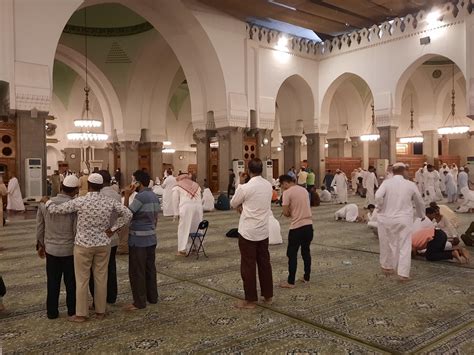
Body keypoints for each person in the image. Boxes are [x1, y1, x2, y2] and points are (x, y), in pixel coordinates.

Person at [44, 173, 132, 322]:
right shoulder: (109, 201)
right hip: (103, 244)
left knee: (82, 279)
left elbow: (56, 210)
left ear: (88, 185)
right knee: (101, 278)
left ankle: (81, 314)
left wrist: (47, 202)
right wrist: (113, 228)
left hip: (83, 245)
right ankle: (100, 311)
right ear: (101, 186)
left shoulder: (81, 201)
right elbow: (128, 213)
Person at [230, 158, 273, 309]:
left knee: (248, 266)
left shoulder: (245, 188)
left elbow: (233, 203)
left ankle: (250, 300)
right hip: (263, 230)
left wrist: (240, 183)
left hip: (248, 231)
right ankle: (268, 295)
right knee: (264, 263)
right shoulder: (268, 185)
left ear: (248, 171)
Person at [36, 175, 79, 319]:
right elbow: (75, 230)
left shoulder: (45, 203)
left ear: (61, 187)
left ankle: (52, 312)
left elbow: (40, 227)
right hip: (69, 250)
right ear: (75, 191)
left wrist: (40, 245)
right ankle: (72, 310)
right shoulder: (74, 205)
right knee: (71, 282)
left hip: (51, 249)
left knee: (52, 282)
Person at [375, 163, 425, 281]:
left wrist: (380, 207)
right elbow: (419, 201)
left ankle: (387, 266)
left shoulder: (387, 183)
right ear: (403, 172)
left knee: (386, 242)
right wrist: (421, 214)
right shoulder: (410, 184)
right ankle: (403, 274)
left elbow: (378, 196)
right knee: (404, 245)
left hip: (386, 218)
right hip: (404, 219)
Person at [122, 170, 160, 310]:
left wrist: (127, 196)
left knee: (137, 271)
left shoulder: (141, 197)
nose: (131, 184)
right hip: (151, 238)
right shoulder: (153, 196)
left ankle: (139, 302)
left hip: (138, 241)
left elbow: (126, 215)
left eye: (133, 181)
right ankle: (152, 297)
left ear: (138, 183)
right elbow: (156, 219)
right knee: (150, 269)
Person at [88, 170, 122, 306]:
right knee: (111, 267)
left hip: (96, 239)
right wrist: (113, 229)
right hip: (112, 238)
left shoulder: (95, 196)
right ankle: (111, 296)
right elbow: (123, 215)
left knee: (96, 270)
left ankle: (97, 299)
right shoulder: (117, 196)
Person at [278, 174, 313, 288]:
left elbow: (286, 212)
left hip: (296, 228)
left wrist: (287, 213)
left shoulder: (287, 193)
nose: (282, 188)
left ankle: (290, 282)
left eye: (282, 185)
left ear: (285, 183)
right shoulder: (304, 190)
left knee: (291, 254)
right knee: (306, 252)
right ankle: (306, 277)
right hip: (309, 226)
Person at [173, 173, 203, 256]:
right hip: (198, 208)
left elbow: (175, 200)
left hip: (186, 208)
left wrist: (176, 213)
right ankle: (196, 247)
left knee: (184, 228)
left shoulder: (178, 186)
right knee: (196, 227)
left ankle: (183, 249)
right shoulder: (196, 185)